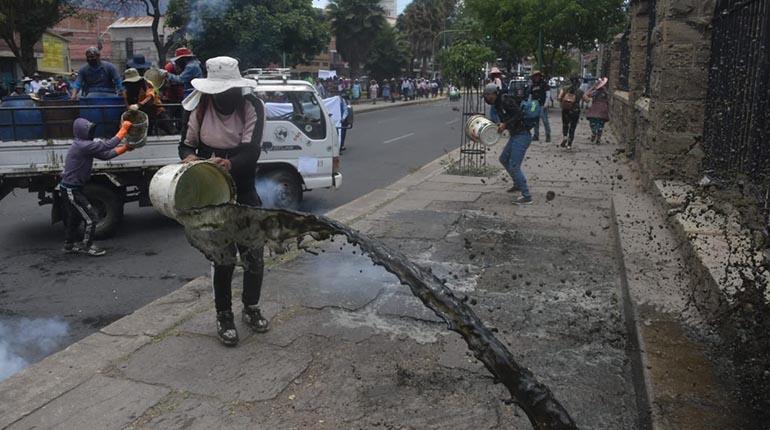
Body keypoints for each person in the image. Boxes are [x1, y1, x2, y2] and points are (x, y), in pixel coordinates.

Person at [178, 56, 269, 347]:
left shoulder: (252, 106)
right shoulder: (200, 106)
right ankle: (224, 315)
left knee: (254, 255)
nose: (222, 95)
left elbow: (251, 151)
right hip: (211, 191)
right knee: (223, 259)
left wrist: (227, 164)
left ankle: (251, 307)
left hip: (243, 188)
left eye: (226, 90)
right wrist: (196, 161)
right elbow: (185, 145)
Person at [59, 118, 133, 256]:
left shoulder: (84, 146)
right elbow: (107, 146)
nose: (91, 132)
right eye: (89, 130)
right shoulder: (83, 146)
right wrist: (124, 129)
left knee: (75, 217)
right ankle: (87, 246)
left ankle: (69, 245)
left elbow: (105, 156)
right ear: (82, 132)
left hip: (73, 187)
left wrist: (124, 148)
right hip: (71, 189)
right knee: (91, 218)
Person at [483, 83, 533, 205]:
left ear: (494, 94)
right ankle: (517, 183)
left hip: (522, 135)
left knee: (514, 166)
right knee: (504, 159)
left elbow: (518, 115)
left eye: (487, 95)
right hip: (515, 135)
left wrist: (505, 124)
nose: (486, 98)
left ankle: (526, 196)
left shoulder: (505, 101)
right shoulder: (498, 104)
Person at [123, 68, 175, 135]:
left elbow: (150, 96)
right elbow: (127, 102)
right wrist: (130, 108)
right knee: (147, 133)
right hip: (141, 115)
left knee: (172, 131)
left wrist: (139, 105)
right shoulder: (127, 89)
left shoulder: (146, 84)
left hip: (156, 111)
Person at [557, 75, 584, 149]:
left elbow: (559, 97)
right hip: (575, 111)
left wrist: (563, 100)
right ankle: (569, 144)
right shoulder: (580, 91)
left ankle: (565, 136)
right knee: (573, 127)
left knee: (565, 124)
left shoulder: (565, 88)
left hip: (566, 110)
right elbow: (587, 100)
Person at [584, 77, 610, 144]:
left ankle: (594, 133)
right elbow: (608, 100)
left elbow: (586, 94)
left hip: (595, 109)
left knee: (592, 122)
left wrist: (593, 87)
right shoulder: (606, 92)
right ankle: (598, 137)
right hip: (603, 109)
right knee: (601, 123)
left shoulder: (595, 92)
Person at [529, 70, 551, 143]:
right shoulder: (533, 85)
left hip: (542, 104)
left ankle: (548, 136)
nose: (536, 77)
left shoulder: (544, 84)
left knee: (545, 121)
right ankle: (536, 135)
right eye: (535, 76)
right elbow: (531, 96)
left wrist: (546, 103)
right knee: (535, 121)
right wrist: (530, 104)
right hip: (535, 105)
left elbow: (548, 94)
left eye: (537, 75)